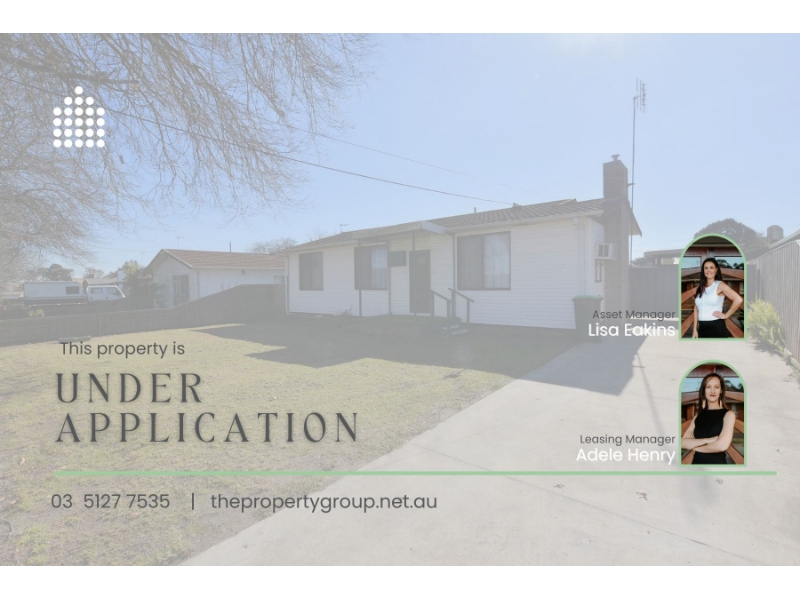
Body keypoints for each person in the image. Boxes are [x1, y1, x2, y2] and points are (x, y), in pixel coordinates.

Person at [681, 373, 736, 464]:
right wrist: (707, 440)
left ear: (721, 390)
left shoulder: (729, 415)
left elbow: (722, 446)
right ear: (704, 390)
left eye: (716, 387)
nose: (712, 391)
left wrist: (695, 446)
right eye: (708, 387)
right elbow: (682, 442)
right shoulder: (698, 416)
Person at [691, 257, 743, 338]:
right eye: (706, 268)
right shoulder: (700, 288)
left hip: (716, 327)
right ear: (703, 271)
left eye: (711, 268)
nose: (708, 270)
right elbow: (696, 308)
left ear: (716, 270)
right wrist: (694, 329)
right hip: (702, 328)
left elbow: (738, 299)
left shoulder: (719, 285)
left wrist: (726, 315)